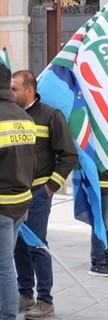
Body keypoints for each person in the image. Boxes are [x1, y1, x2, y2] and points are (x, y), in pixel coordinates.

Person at [11, 70, 78, 319]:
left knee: (37, 245)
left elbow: (69, 155)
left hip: (38, 192)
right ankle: (25, 295)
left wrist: (50, 187)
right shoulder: (13, 116)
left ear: (29, 90)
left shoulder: (51, 115)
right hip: (15, 193)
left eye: (15, 88)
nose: (11, 92)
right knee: (18, 245)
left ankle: (45, 300)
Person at [0, 63, 37, 320]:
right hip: (20, 203)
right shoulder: (25, 116)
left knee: (3, 268)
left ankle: (8, 315)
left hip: (1, 205)